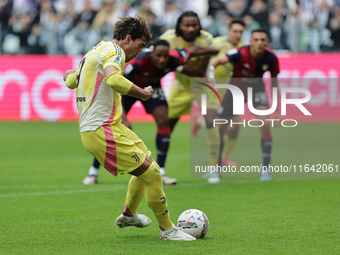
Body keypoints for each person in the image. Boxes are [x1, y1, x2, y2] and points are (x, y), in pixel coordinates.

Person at [63, 16, 195, 241]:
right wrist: (142, 93)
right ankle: (168, 230)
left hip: (109, 126)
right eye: (140, 45)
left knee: (148, 165)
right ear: (127, 38)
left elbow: (71, 82)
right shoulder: (115, 52)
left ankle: (128, 215)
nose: (140, 52)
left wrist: (70, 75)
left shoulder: (94, 51)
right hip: (100, 130)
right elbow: (114, 80)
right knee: (153, 174)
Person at [83, 40, 219, 186]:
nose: (162, 60)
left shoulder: (174, 58)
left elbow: (194, 49)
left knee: (164, 120)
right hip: (127, 89)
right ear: (152, 53)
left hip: (151, 88)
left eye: (165, 56)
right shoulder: (138, 63)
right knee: (111, 128)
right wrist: (123, 117)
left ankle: (162, 171)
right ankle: (93, 172)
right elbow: (117, 84)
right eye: (158, 56)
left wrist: (212, 51)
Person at [211, 28, 280, 180]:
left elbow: (275, 84)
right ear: (250, 42)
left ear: (267, 42)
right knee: (220, 128)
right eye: (256, 40)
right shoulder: (239, 53)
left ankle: (266, 170)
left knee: (265, 124)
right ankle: (216, 168)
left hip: (256, 89)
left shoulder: (271, 58)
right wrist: (210, 71)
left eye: (263, 40)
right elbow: (218, 60)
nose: (259, 43)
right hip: (235, 90)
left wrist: (276, 110)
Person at [160, 11, 221, 184]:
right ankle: (159, 168)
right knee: (166, 125)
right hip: (181, 87)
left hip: (204, 85)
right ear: (179, 26)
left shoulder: (206, 39)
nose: (191, 28)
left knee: (211, 121)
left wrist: (175, 66)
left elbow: (200, 70)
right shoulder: (169, 39)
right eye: (187, 25)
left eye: (194, 25)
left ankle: (213, 168)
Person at [191, 18, 246, 169]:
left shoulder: (244, 48)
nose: (238, 34)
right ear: (229, 31)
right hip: (214, 88)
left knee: (234, 126)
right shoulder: (217, 44)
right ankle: (216, 159)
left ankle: (225, 156)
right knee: (217, 124)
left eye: (241, 31)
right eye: (235, 31)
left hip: (232, 90)